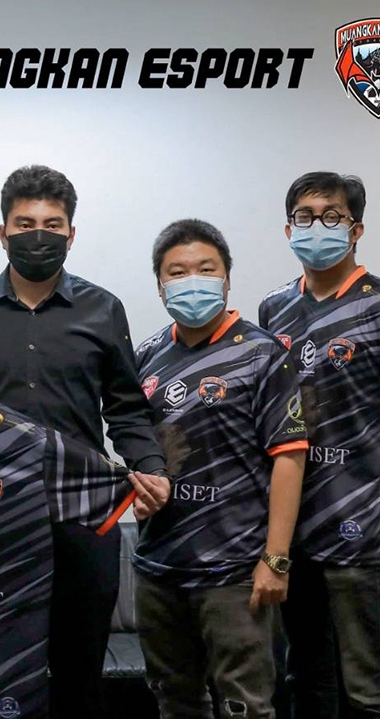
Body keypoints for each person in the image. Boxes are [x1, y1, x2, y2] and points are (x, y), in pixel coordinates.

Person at [0, 164, 170, 715]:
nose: (38, 235)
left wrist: (151, 466)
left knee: (79, 672)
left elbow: (126, 408)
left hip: (83, 516)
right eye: (25, 223)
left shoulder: (103, 309)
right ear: (2, 232)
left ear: (71, 234)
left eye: (52, 224)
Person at [259, 171, 380, 718]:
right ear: (288, 228)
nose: (317, 227)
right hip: (293, 529)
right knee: (305, 675)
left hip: (360, 531)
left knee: (368, 685)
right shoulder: (273, 310)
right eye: (305, 216)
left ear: (356, 229)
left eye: (331, 216)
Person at [133, 219, 307, 719]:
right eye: (177, 272)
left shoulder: (263, 354)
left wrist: (276, 559)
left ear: (227, 279)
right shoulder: (145, 357)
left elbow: (290, 457)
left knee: (244, 706)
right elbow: (135, 446)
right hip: (159, 566)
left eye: (206, 269)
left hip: (234, 570)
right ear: (160, 285)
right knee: (175, 702)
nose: (192, 280)